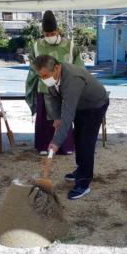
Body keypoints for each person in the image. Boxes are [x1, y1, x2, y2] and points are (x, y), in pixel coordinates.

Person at [31, 55, 109, 199]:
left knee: (86, 142)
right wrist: (56, 118)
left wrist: (55, 143)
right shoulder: (53, 76)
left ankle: (84, 182)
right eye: (40, 77)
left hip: (95, 105)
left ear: (56, 68)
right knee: (78, 137)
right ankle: (80, 169)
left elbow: (68, 114)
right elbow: (52, 96)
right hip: (80, 104)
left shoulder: (72, 79)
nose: (43, 79)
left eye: (45, 76)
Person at [25, 10, 85, 156]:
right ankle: (44, 146)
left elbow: (79, 66)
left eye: (52, 33)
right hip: (44, 87)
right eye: (46, 34)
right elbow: (33, 67)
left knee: (65, 116)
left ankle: (65, 147)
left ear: (58, 30)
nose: (49, 37)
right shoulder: (37, 45)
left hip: (64, 88)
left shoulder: (69, 45)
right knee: (45, 120)